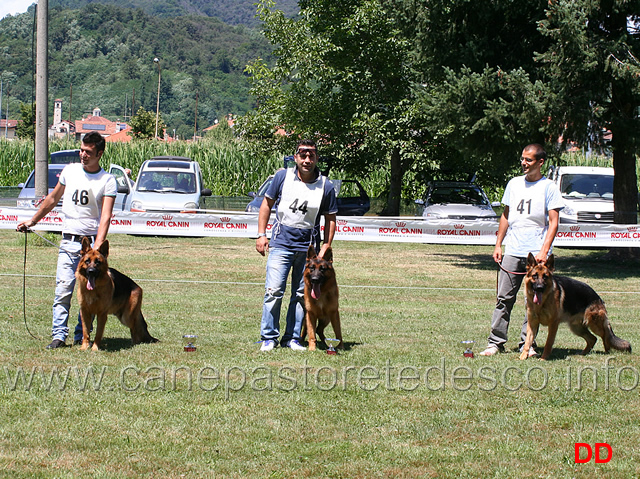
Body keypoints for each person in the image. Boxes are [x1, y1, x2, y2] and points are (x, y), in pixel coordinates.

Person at [17, 132, 117, 349]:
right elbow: (52, 199)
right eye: (81, 150)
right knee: (63, 289)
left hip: (91, 248)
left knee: (90, 294)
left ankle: (83, 336)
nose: (83, 155)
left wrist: (97, 248)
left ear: (100, 154)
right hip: (68, 243)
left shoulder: (107, 180)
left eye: (88, 152)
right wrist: (32, 221)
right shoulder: (70, 171)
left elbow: (106, 217)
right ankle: (58, 336)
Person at [479, 143, 564, 356]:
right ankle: (495, 343)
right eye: (523, 159)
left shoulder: (549, 187)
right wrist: (499, 244)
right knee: (504, 298)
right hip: (513, 250)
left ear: (540, 162)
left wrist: (544, 251)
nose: (523, 163)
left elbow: (553, 223)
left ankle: (528, 344)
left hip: (536, 255)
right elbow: (506, 215)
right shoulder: (514, 184)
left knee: (534, 299)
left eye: (529, 160)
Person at [255, 139, 338, 352]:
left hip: (308, 250)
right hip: (281, 244)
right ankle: (268, 337)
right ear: (296, 157)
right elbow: (266, 205)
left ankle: (292, 338)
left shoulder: (326, 186)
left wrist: (326, 245)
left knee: (301, 295)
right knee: (273, 291)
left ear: (317, 158)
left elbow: (330, 218)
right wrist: (261, 235)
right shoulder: (282, 177)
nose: (307, 159)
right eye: (303, 154)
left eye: (311, 155)